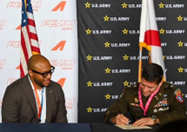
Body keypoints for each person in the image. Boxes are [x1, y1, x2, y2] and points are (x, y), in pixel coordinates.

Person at [104, 63, 187, 126]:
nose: (145, 90)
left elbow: (181, 114)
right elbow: (110, 112)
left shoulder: (171, 91)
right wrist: (114, 119)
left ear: (160, 83)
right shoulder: (130, 91)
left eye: (150, 87)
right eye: (143, 84)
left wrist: (156, 120)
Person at [2, 54, 68, 123]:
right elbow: (10, 126)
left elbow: (61, 123)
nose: (49, 77)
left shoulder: (56, 89)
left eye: (50, 72)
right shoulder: (13, 91)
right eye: (44, 74)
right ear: (31, 72)